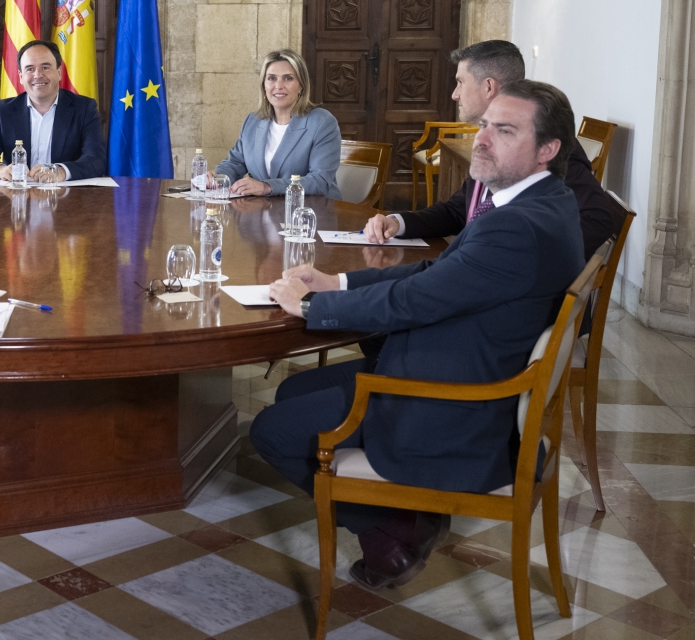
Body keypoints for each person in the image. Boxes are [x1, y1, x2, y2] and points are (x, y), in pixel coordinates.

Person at [253, 80, 586, 591]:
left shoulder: (517, 225)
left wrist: (314, 305)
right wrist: (336, 281)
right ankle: (401, 516)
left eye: (504, 130)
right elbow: (437, 273)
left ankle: (392, 528)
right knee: (294, 390)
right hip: (470, 369)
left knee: (272, 430)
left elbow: (416, 300)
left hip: (454, 407)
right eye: (484, 126)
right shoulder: (544, 203)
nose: (482, 139)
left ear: (548, 150)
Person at [364, 39, 615, 259]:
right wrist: (398, 222)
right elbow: (458, 210)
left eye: (460, 82)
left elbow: (599, 217)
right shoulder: (489, 143)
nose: (454, 94)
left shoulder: (541, 143)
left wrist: (516, 259)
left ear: (488, 87)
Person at [0, 40, 106, 182]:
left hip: (67, 197)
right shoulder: (4, 110)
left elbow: (96, 160)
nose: (38, 75)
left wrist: (62, 172)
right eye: (30, 69)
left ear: (59, 73)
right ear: (21, 77)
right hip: (16, 198)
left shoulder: (84, 108)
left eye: (45, 67)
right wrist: (0, 170)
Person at [217, 49, 341, 198]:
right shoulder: (253, 121)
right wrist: (217, 177)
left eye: (288, 78)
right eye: (271, 78)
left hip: (310, 213)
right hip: (262, 212)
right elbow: (235, 163)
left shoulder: (322, 122)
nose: (278, 85)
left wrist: (267, 187)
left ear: (301, 85)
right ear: (264, 85)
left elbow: (319, 181)